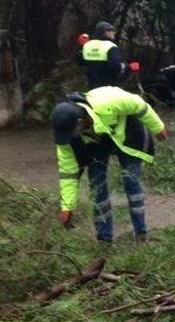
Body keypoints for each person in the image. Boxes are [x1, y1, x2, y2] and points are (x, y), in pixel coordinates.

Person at [52, 86, 167, 243]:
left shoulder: (108, 101)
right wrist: (67, 206)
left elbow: (140, 106)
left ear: (80, 123)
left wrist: (158, 128)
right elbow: (68, 173)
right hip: (96, 143)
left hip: (128, 133)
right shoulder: (66, 135)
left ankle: (141, 234)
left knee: (131, 181)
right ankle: (104, 239)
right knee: (97, 187)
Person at [80, 21, 140, 91]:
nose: (113, 33)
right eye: (111, 30)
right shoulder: (110, 46)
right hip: (108, 89)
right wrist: (130, 68)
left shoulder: (87, 45)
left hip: (92, 89)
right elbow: (117, 67)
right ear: (105, 32)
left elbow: (81, 62)